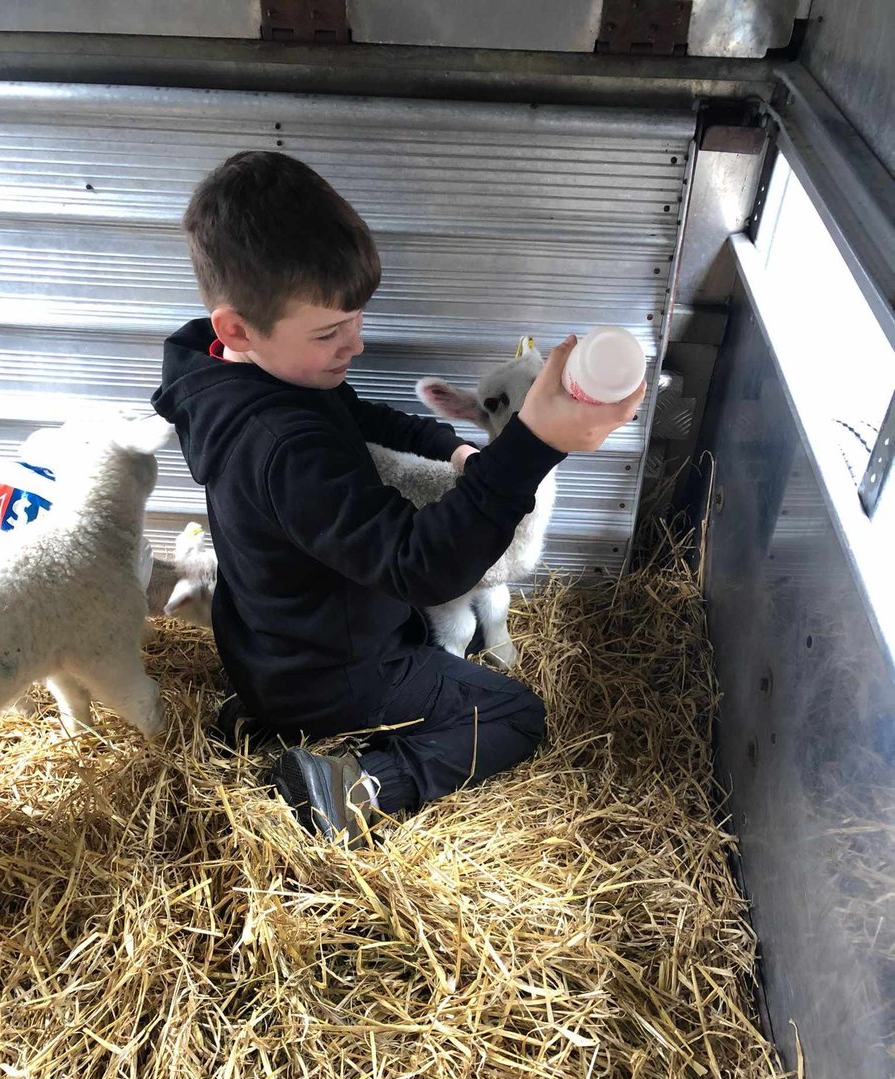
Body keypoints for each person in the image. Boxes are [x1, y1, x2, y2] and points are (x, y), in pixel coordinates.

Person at [152, 150, 643, 844]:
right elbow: (424, 567)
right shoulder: (284, 447)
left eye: (356, 319)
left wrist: (453, 448)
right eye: (330, 333)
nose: (355, 344)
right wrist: (532, 444)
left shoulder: (221, 366)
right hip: (333, 672)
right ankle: (349, 788)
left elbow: (350, 410)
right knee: (510, 715)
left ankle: (267, 715)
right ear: (237, 327)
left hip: (268, 644)